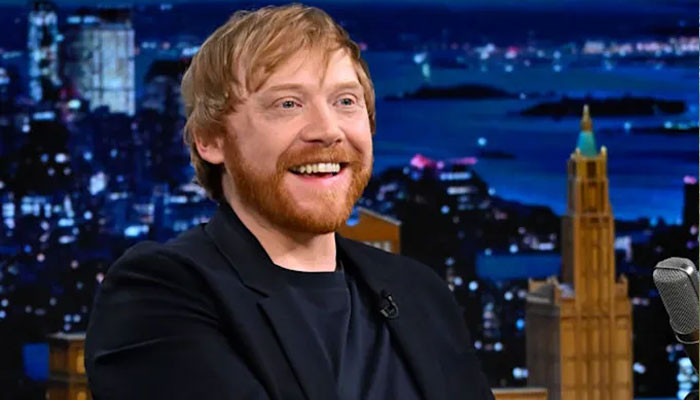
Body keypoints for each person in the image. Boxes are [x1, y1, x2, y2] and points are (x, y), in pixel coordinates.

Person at [85, 4, 494, 400]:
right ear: (210, 140)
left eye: (346, 101)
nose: (328, 130)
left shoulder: (421, 293)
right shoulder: (158, 295)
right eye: (288, 104)